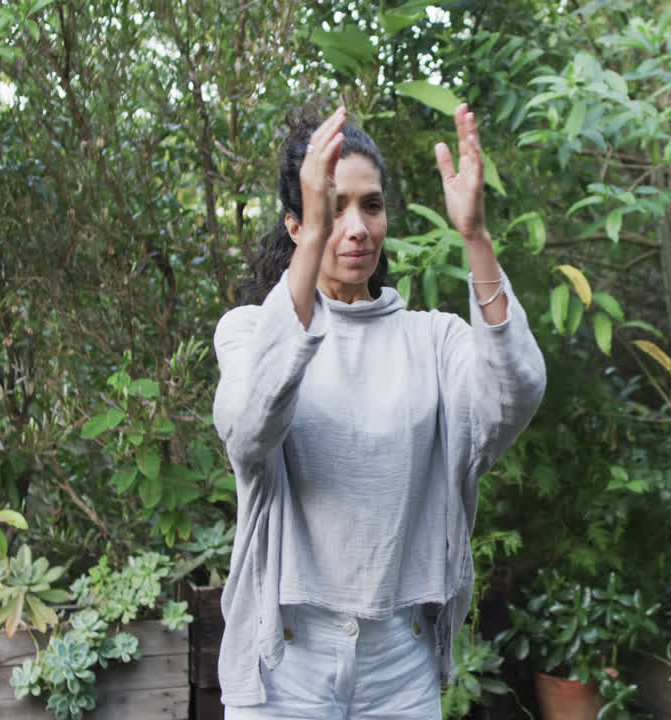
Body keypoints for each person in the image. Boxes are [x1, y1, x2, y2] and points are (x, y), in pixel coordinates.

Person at [212, 103, 546, 718]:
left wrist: (476, 237)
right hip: (284, 667)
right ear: (296, 225)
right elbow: (248, 427)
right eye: (332, 207)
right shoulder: (251, 333)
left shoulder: (432, 341)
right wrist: (313, 246)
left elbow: (513, 395)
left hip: (399, 666)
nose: (357, 227)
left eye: (371, 205)